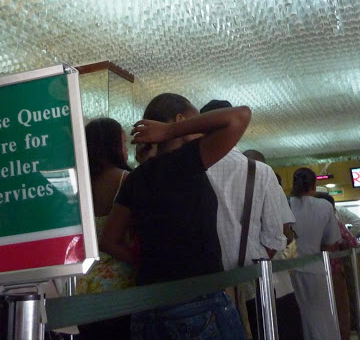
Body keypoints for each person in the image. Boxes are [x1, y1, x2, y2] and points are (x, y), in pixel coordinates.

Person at [101, 93, 251, 340]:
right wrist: (172, 130)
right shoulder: (186, 161)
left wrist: (151, 262)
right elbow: (240, 115)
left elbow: (109, 240)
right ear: (180, 119)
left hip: (148, 304)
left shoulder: (137, 177)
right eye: (197, 120)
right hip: (197, 302)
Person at [203, 100, 302, 340]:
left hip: (204, 288)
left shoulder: (191, 170)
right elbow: (277, 235)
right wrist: (249, 266)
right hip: (258, 285)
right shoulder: (261, 171)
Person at [76, 118, 136, 340]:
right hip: (119, 284)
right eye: (123, 142)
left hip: (80, 283)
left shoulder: (76, 184)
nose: (126, 150)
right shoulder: (126, 180)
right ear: (113, 146)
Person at [289, 167, 342, 340]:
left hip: (286, 270)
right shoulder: (324, 206)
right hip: (316, 268)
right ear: (314, 185)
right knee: (321, 314)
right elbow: (331, 242)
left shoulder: (286, 204)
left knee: (297, 314)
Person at [316, 192, 359, 340]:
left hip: (310, 272)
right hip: (334, 270)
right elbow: (352, 242)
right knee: (341, 310)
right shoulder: (332, 220)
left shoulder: (303, 220)